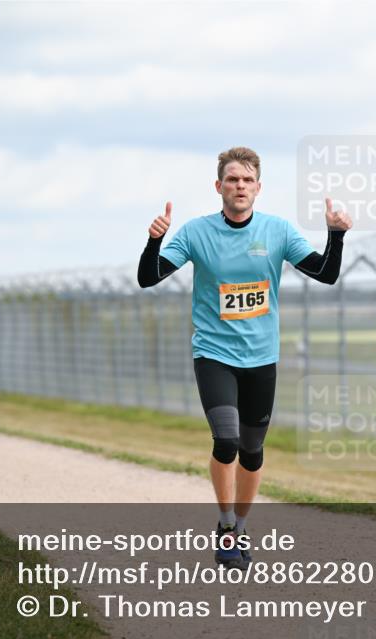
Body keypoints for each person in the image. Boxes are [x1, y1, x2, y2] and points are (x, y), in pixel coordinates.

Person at [136, 146, 351, 569]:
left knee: (253, 451)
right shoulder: (197, 232)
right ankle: (226, 522)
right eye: (232, 179)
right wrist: (155, 239)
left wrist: (337, 235)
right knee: (227, 441)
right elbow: (148, 278)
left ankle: (238, 527)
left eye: (247, 180)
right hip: (213, 353)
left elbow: (325, 273)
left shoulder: (277, 231)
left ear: (258, 188)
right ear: (219, 186)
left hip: (261, 357)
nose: (239, 186)